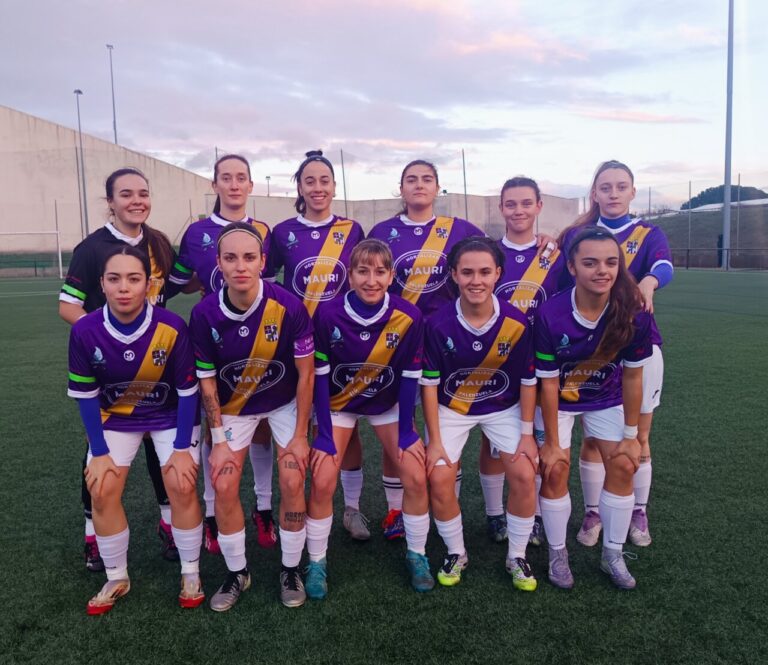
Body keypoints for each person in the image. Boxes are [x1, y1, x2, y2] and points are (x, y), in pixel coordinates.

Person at [68, 246, 203, 614]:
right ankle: (116, 576)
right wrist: (98, 451)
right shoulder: (85, 330)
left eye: (133, 278)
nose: (123, 287)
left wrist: (179, 449)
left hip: (171, 416)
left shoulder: (171, 326)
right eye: (114, 279)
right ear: (102, 284)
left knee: (181, 481)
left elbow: (189, 393)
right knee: (101, 486)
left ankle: (191, 572)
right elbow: (86, 396)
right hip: (118, 417)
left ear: (149, 284)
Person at [189, 222, 314, 610]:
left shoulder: (289, 305)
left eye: (249, 257)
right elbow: (207, 385)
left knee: (293, 476)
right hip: (232, 408)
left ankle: (290, 568)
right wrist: (219, 441)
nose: (240, 266)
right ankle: (237, 572)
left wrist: (299, 435)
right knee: (224, 484)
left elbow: (306, 373)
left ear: (263, 261)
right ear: (218, 264)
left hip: (282, 403)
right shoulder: (205, 313)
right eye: (230, 258)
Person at [59, 167, 178, 571]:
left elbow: (179, 287)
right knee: (99, 451)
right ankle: (93, 536)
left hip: (159, 367)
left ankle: (170, 527)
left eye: (143, 193)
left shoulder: (159, 244)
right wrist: (106, 339)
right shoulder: (92, 249)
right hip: (110, 371)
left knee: (161, 451)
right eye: (125, 194)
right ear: (110, 201)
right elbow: (68, 306)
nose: (136, 201)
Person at [305, 239, 433, 598]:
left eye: (380, 272)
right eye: (363, 271)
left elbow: (410, 377)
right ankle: (316, 562)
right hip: (339, 405)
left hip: (387, 405)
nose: (371, 280)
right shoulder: (328, 314)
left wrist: (407, 430)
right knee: (323, 478)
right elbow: (319, 377)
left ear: (392, 276)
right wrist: (325, 435)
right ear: (350, 275)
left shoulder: (409, 315)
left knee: (415, 474)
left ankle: (417, 553)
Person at [367, 160, 485, 538]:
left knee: (446, 426)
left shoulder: (461, 230)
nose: (419, 185)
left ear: (438, 188)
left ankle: (446, 500)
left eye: (427, 179)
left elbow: (491, 263)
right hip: (394, 343)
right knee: (397, 430)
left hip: (447, 346)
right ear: (400, 188)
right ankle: (396, 511)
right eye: (411, 180)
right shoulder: (382, 232)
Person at [560, 161, 672, 548]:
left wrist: (648, 281)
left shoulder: (647, 232)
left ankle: (638, 510)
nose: (612, 193)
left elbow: (663, 265)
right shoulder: (576, 235)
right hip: (587, 349)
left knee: (639, 435)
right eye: (605, 187)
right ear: (594, 194)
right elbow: (559, 276)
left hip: (637, 346)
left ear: (632, 192)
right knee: (593, 436)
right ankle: (593, 512)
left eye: (620, 187)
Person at [169, 154, 277, 554]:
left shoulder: (265, 230)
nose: (234, 184)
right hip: (213, 344)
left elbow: (271, 278)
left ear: (251, 186)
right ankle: (212, 516)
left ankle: (264, 508)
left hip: (261, 346)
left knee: (263, 424)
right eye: (225, 178)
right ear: (215, 185)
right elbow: (177, 282)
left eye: (241, 178)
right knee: (210, 425)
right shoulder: (197, 232)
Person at [535, 227, 654, 589]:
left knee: (623, 462)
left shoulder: (633, 311)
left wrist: (633, 436)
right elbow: (549, 383)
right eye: (590, 262)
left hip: (607, 396)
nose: (602, 270)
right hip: (560, 400)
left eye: (610, 262)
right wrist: (552, 441)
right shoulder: (550, 314)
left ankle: (612, 554)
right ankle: (558, 554)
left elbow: (634, 378)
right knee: (554, 468)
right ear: (571, 267)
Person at [421, 237, 539, 589]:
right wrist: (436, 440)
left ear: (498, 274)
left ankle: (517, 555)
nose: (476, 280)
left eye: (485, 272)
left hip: (504, 407)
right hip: (451, 408)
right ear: (454, 274)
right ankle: (457, 551)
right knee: (439, 477)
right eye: (467, 272)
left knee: (523, 472)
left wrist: (528, 434)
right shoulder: (437, 324)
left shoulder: (517, 323)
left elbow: (529, 382)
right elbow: (429, 385)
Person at [269, 150, 369, 540]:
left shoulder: (352, 230)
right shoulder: (281, 232)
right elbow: (266, 278)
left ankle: (352, 507)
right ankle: (297, 504)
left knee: (348, 425)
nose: (317, 188)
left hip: (341, 340)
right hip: (296, 343)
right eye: (309, 181)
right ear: (299, 186)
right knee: (300, 423)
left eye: (324, 180)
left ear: (333, 185)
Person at [483, 177, 568, 546]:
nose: (518, 210)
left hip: (541, 365)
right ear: (501, 208)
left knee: (531, 442)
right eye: (511, 204)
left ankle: (530, 515)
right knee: (492, 445)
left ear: (538, 207)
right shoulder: (487, 253)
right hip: (494, 363)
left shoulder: (554, 255)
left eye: (525, 203)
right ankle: (493, 514)